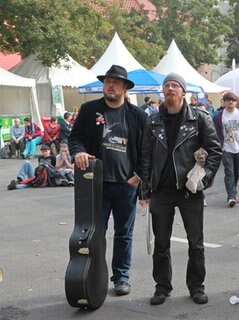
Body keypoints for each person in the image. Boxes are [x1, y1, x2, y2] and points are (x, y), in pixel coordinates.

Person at [138, 72, 222, 305]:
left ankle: (196, 286)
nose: (171, 89)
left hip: (189, 191)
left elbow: (215, 150)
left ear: (184, 91)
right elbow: (144, 156)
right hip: (161, 191)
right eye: (167, 86)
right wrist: (144, 191)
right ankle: (162, 287)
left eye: (175, 85)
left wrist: (203, 179)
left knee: (196, 243)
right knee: (161, 243)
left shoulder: (199, 118)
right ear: (162, 92)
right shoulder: (152, 120)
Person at [69, 64, 147, 296]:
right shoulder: (89, 109)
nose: (110, 85)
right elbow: (75, 139)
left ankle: (121, 277)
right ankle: (93, 275)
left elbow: (146, 150)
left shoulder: (137, 116)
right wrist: (78, 153)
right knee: (94, 233)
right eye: (107, 81)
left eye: (115, 82)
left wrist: (139, 177)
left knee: (124, 234)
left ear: (124, 87)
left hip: (126, 185)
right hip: (95, 184)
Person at [213, 92, 239, 207]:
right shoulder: (219, 116)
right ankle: (231, 196)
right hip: (226, 148)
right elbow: (214, 131)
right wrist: (220, 145)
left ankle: (233, 192)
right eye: (228, 100)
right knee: (229, 172)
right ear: (223, 102)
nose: (231, 102)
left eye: (233, 100)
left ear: (236, 102)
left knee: (236, 172)